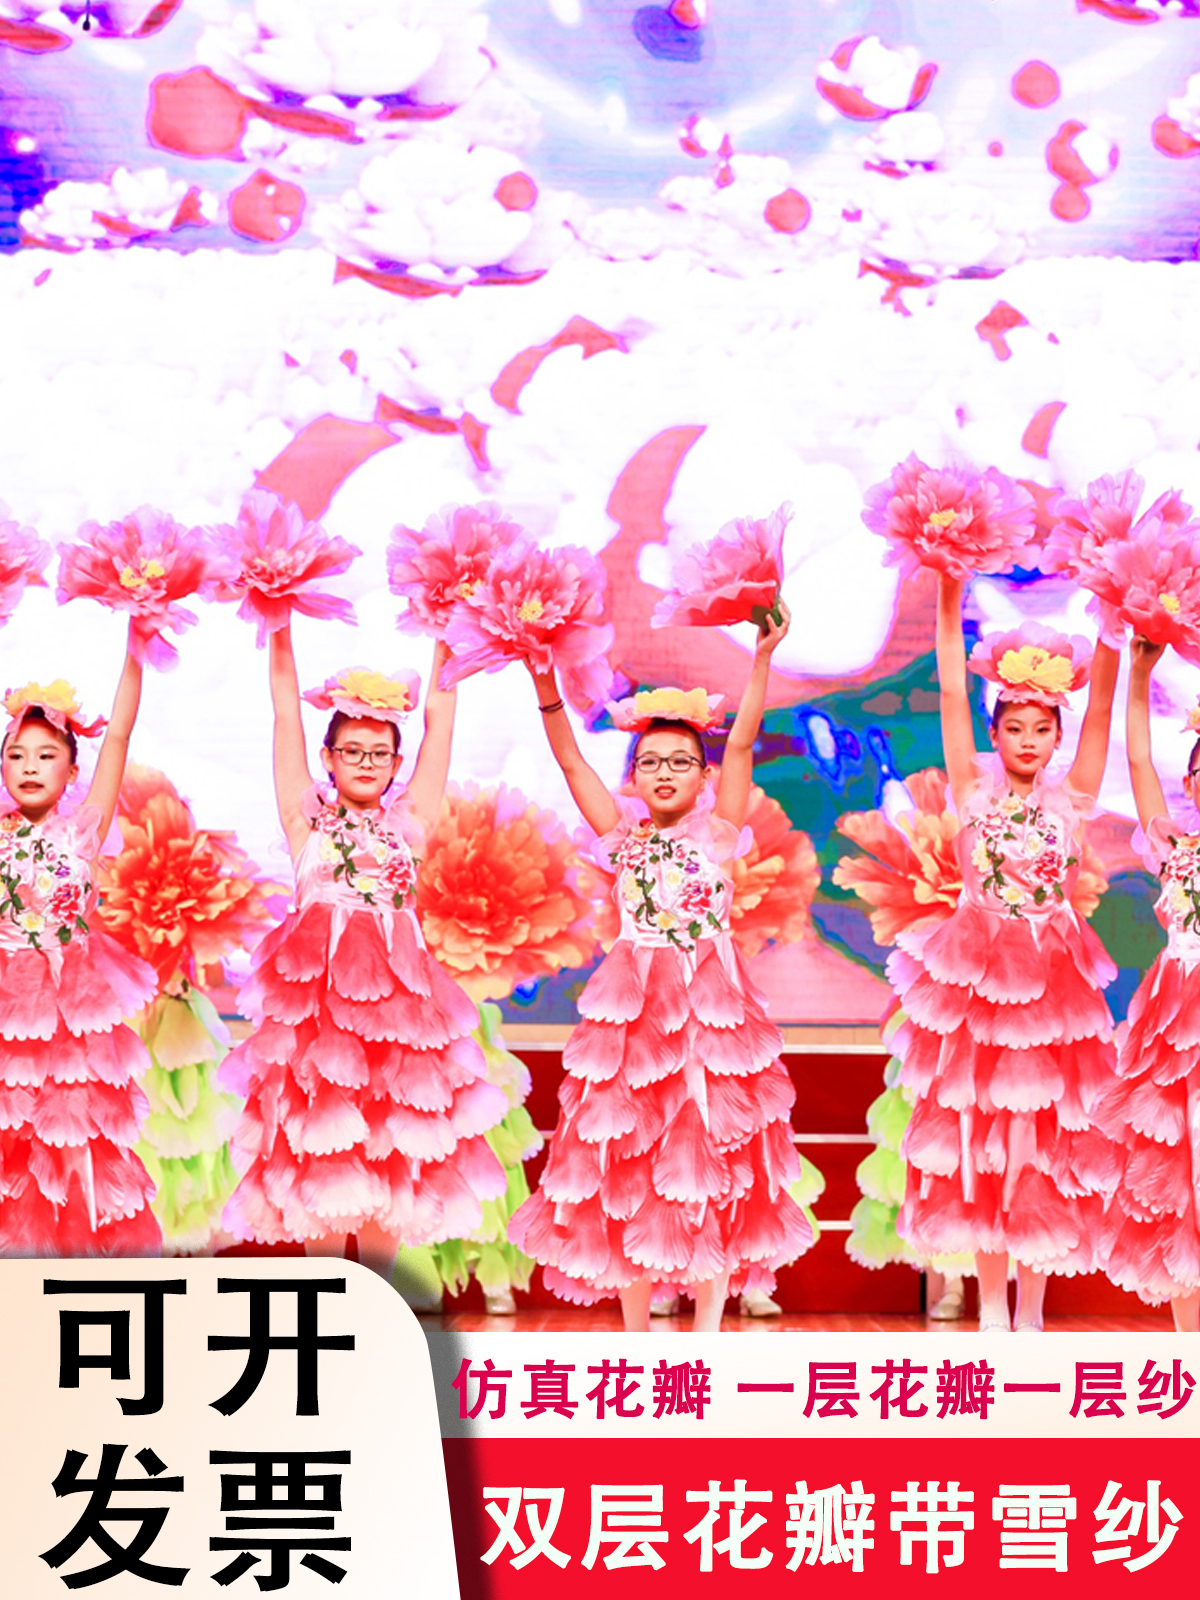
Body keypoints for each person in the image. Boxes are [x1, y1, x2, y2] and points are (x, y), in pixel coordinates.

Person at [508, 608, 814, 1332]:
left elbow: (742, 744)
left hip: (712, 1017)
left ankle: (705, 1334)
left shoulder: (720, 836)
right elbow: (571, 763)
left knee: (713, 1156)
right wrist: (545, 683)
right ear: (634, 776)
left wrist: (762, 659)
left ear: (704, 777)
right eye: (651, 763)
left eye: (681, 762)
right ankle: (638, 1338)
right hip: (635, 1021)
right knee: (632, 1161)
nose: (666, 772)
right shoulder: (622, 839)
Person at [219, 624, 507, 1285]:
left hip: (397, 1029)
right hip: (322, 1027)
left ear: (397, 764)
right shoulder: (306, 824)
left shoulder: (411, 826)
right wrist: (279, 616)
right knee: (324, 1161)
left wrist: (445, 625)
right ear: (328, 757)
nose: (368, 762)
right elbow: (284, 709)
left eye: (381, 752)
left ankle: (376, 1301)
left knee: (386, 1156)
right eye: (353, 750)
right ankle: (327, 1307)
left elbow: (440, 720)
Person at [889, 576, 1120, 1331]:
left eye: (1041, 729)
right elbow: (951, 692)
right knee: (982, 1143)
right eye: (1014, 727)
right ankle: (992, 1306)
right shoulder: (973, 793)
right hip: (980, 985)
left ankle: (1033, 1310)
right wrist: (947, 585)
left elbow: (1103, 711)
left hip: (1052, 986)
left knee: (1038, 1148)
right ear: (995, 735)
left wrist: (1118, 621)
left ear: (1056, 737)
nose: (1027, 740)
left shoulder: (1073, 801)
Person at [0, 631, 160, 1254]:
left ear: (71, 772)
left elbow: (118, 735)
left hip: (71, 1020)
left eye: (46, 756)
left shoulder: (83, 833)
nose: (29, 766)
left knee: (70, 1153)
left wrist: (139, 631)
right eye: (16, 755)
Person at [1092, 637, 1200, 1331]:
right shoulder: (1175, 851)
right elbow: (1136, 761)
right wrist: (1138, 676)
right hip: (1179, 1022)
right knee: (1183, 1180)